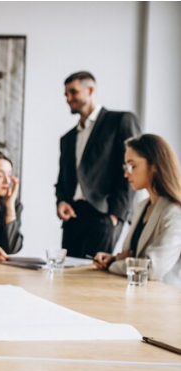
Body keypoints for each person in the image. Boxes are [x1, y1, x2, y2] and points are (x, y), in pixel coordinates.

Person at [55, 71, 141, 258]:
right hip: (72, 219)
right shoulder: (67, 138)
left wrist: (116, 215)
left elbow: (134, 167)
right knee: (67, 280)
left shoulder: (120, 121)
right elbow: (62, 178)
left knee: (94, 280)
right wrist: (61, 201)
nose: (68, 99)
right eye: (66, 94)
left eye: (73, 92)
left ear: (90, 90)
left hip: (104, 216)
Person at [94, 134, 181, 288]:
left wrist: (113, 265)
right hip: (136, 294)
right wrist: (114, 259)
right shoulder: (142, 207)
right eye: (126, 167)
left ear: (155, 166)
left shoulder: (175, 213)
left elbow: (152, 269)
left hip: (162, 301)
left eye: (132, 166)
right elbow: (134, 258)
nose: (126, 174)